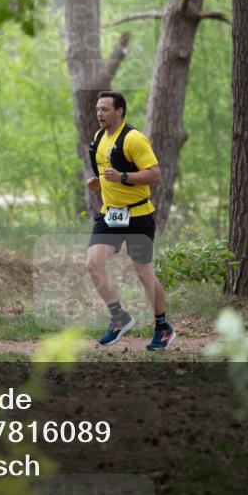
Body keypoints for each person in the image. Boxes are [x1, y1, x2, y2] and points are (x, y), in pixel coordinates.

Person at [85, 91, 173, 350]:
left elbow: (155, 175)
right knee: (93, 264)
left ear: (120, 111)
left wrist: (123, 177)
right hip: (110, 214)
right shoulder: (99, 137)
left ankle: (163, 327)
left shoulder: (134, 139)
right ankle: (119, 317)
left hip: (138, 215)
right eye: (98, 109)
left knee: (144, 273)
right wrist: (97, 182)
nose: (100, 114)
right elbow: (105, 172)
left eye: (105, 109)